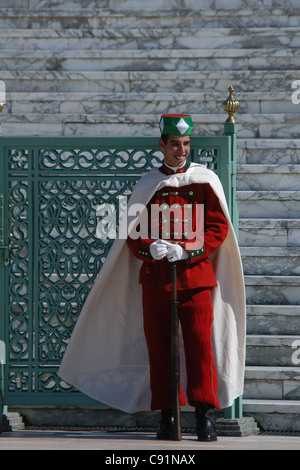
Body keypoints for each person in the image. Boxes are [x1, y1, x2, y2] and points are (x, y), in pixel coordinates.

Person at [58, 114, 246, 442]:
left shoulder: (204, 181)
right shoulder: (148, 184)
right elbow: (132, 235)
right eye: (175, 144)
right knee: (159, 350)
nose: (181, 150)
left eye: (186, 145)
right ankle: (167, 414)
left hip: (195, 279)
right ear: (162, 145)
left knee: (201, 347)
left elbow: (218, 227)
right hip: (157, 280)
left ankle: (205, 416)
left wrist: (187, 249)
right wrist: (150, 247)